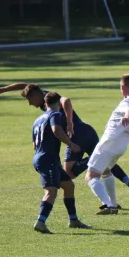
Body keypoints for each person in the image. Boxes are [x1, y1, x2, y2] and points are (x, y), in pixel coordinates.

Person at [0, 83, 129, 209]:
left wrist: (69, 122)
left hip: (77, 135)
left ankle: (109, 196)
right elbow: (24, 85)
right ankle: (123, 187)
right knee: (104, 165)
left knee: (70, 173)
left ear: (36, 95)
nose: (29, 104)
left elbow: (66, 101)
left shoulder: (49, 97)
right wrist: (2, 90)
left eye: (29, 100)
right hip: (87, 131)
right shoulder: (41, 94)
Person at [31, 92, 91, 233]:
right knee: (51, 191)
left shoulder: (38, 120)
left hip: (42, 157)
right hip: (48, 159)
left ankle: (73, 220)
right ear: (58, 104)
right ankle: (40, 221)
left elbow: (35, 144)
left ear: (45, 104)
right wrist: (71, 144)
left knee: (69, 186)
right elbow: (56, 130)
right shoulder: (56, 115)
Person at [86, 75, 129, 215]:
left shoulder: (127, 102)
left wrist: (126, 118)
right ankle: (114, 203)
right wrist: (128, 125)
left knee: (91, 176)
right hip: (121, 146)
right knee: (106, 170)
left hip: (109, 143)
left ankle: (108, 205)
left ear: (123, 87)